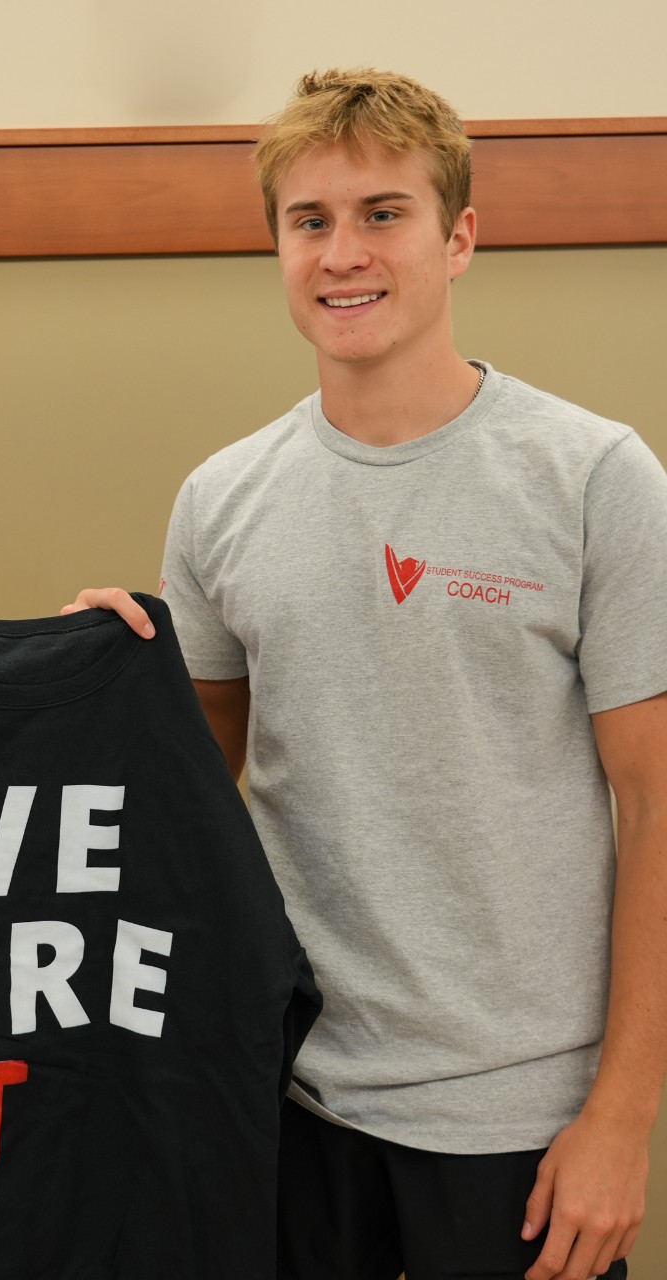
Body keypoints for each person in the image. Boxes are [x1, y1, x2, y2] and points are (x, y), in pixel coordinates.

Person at [67, 69, 667, 1280]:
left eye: (383, 213)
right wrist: (91, 673)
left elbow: (656, 808)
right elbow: (190, 784)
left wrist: (618, 1117)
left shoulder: (594, 476)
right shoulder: (222, 497)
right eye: (309, 220)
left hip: (520, 1123)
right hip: (287, 1099)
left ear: (457, 239)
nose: (342, 252)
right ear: (276, 244)